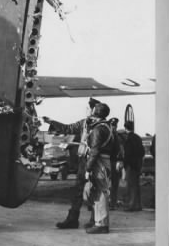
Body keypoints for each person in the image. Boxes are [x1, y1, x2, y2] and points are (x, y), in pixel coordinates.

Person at [43, 97, 101, 229]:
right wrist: (51, 121)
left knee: (94, 190)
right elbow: (67, 128)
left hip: (95, 162)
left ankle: (95, 220)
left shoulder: (100, 126)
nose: (86, 110)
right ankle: (72, 219)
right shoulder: (84, 123)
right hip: (84, 161)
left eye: (88, 108)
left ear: (93, 109)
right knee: (78, 191)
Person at [84, 103, 114, 234]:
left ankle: (101, 223)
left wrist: (88, 168)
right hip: (105, 160)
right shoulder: (108, 127)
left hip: (99, 161)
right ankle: (99, 222)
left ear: (95, 113)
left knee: (100, 190)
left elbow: (94, 151)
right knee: (100, 189)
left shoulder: (97, 129)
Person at [123, 121, 145, 211]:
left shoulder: (128, 139)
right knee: (136, 185)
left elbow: (127, 154)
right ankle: (138, 205)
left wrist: (125, 164)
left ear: (125, 128)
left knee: (131, 186)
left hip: (131, 165)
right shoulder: (138, 137)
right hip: (137, 164)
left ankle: (131, 206)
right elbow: (142, 151)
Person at [108, 118, 124, 210]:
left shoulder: (118, 137)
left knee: (114, 184)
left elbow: (120, 150)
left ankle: (112, 203)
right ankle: (109, 202)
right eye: (112, 125)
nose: (114, 127)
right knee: (106, 184)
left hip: (114, 162)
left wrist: (120, 160)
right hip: (107, 162)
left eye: (115, 126)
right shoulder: (108, 135)